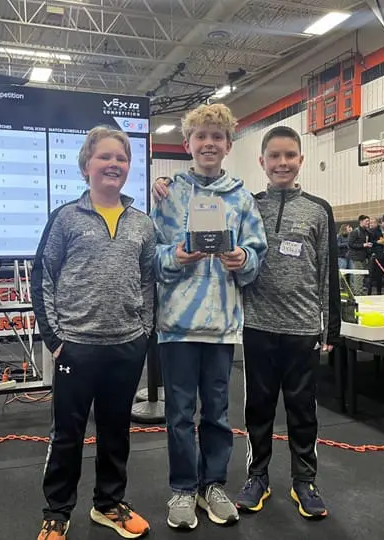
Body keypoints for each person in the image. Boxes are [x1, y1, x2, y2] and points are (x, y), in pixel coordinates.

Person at [152, 124, 340, 520]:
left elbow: (309, 268)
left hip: (276, 326)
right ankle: (224, 483)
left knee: (290, 411)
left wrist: (330, 327)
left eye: (290, 156)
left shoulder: (274, 204)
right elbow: (153, 253)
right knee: (236, 410)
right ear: (261, 161)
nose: (282, 163)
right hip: (225, 325)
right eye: (274, 156)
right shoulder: (193, 197)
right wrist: (176, 252)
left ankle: (291, 481)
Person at [31, 126, 156, 540]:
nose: (113, 164)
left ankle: (108, 504)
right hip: (76, 348)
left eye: (121, 158)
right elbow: (43, 277)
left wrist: (143, 332)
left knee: (116, 431)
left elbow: (148, 282)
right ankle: (57, 512)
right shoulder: (65, 218)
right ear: (87, 165)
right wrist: (55, 340)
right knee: (67, 435)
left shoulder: (143, 223)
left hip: (126, 345)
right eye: (105, 157)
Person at [151, 103, 268, 531]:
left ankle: (212, 485)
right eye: (201, 136)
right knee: (179, 415)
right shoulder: (168, 195)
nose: (208, 143)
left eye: (217, 136)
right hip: (177, 326)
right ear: (187, 144)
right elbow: (152, 254)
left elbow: (256, 251)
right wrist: (176, 256)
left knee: (217, 414)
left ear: (228, 145)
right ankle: (183, 488)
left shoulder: (241, 197)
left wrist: (243, 259)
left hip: (221, 326)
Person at [346, 215, 372, 295]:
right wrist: (363, 245)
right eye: (366, 221)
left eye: (369, 221)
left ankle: (360, 291)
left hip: (364, 257)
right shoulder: (355, 232)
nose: (368, 223)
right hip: (356, 257)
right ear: (361, 221)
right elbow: (350, 244)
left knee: (362, 276)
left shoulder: (367, 232)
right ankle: (358, 293)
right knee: (358, 276)